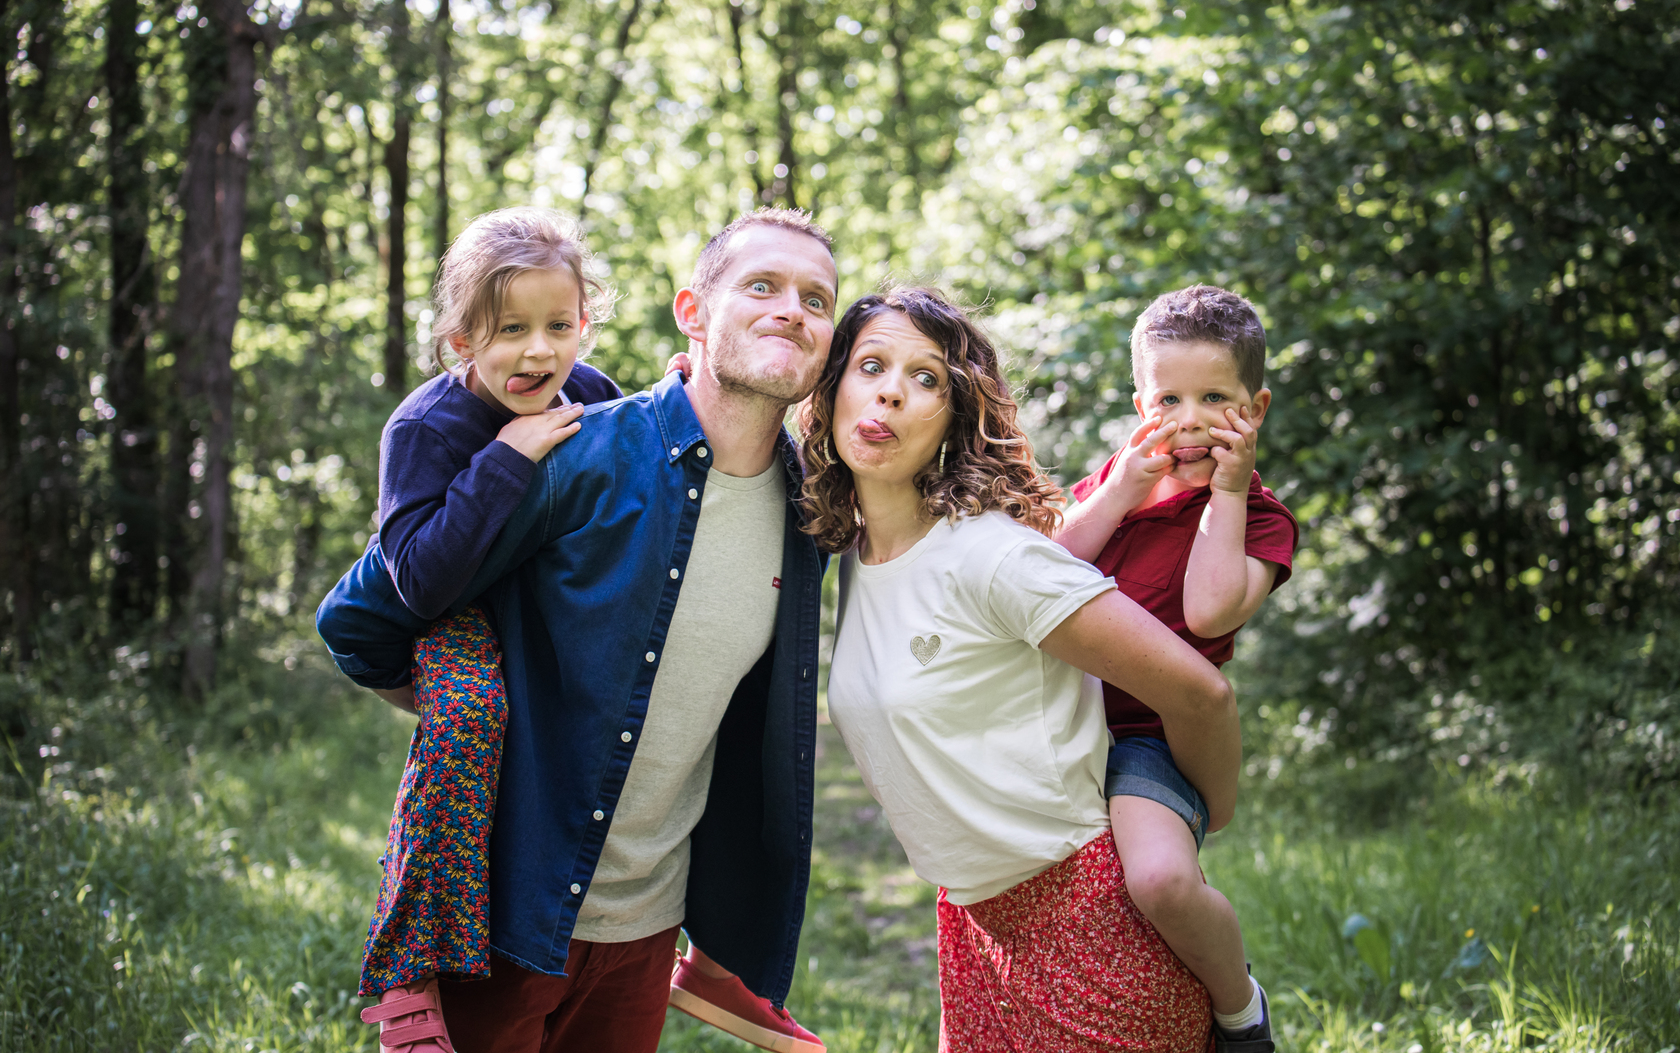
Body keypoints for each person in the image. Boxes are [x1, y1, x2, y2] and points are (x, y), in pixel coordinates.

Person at [317, 207, 836, 1053]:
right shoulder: (540, 451)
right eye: (763, 285)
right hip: (507, 913)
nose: (791, 310)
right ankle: (407, 967)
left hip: (648, 927)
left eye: (817, 298)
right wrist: (459, 701)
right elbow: (362, 614)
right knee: (470, 703)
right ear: (693, 312)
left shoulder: (810, 505)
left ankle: (721, 969)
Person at [801, 286, 1242, 1051]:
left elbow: (1199, 690)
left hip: (1092, 925)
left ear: (954, 417)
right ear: (832, 387)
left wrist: (1208, 808)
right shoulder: (857, 556)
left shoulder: (993, 556)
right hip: (974, 930)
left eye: (927, 379)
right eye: (870, 365)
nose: (892, 392)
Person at [349, 207, 623, 1053]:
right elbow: (420, 580)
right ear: (462, 338)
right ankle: (409, 976)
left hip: (547, 604)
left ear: (584, 323)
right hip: (458, 612)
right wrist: (507, 456)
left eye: (558, 326)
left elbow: (643, 455)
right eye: (510, 330)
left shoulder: (596, 394)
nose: (539, 353)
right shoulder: (425, 428)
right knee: (469, 714)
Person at [1059, 285, 1297, 1053]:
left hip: (1152, 740)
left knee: (1160, 881)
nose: (1189, 418)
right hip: (1060, 722)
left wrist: (1226, 491)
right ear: (1140, 403)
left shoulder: (1258, 516)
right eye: (1170, 397)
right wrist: (1120, 490)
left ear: (1254, 409)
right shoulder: (1118, 480)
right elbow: (1045, 570)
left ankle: (1240, 1008)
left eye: (1215, 397)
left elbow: (1208, 613)